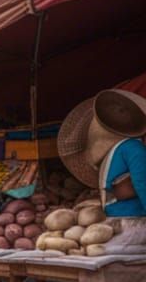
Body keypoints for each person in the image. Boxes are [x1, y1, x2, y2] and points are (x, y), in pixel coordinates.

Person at [59, 88, 146, 216]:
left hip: (113, 210)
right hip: (130, 213)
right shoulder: (133, 148)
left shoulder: (117, 150)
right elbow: (142, 183)